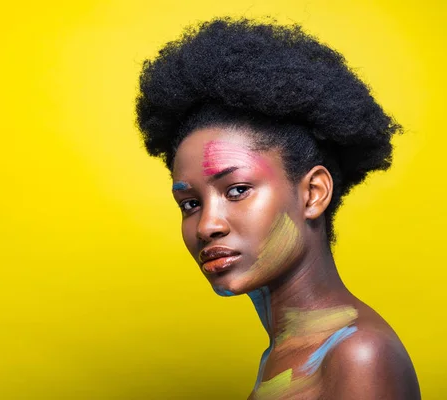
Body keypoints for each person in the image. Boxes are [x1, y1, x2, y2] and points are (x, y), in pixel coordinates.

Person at [135, 18, 421, 399]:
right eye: (190, 203)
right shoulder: (285, 352)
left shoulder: (358, 355)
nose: (207, 225)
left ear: (313, 193)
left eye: (236, 190)